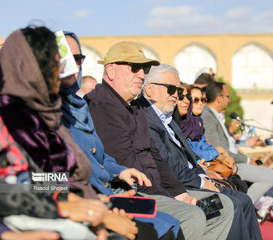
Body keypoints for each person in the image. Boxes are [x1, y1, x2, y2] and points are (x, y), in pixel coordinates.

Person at [0, 26, 153, 240]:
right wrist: (71, 207)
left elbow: (47, 178)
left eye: (69, 62)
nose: (63, 71)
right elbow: (13, 184)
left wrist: (95, 204)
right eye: (52, 64)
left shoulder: (45, 114)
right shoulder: (11, 115)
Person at [86, 41, 234, 240]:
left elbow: (155, 156)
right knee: (193, 215)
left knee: (222, 208)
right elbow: (128, 167)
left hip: (157, 190)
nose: (141, 74)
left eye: (145, 68)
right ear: (111, 70)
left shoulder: (135, 106)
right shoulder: (103, 105)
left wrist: (179, 193)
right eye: (135, 68)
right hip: (132, 194)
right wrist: (171, 197)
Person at [59, 31, 182, 240]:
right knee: (160, 229)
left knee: (170, 225)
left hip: (102, 196)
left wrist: (119, 171)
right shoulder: (28, 114)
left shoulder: (75, 107)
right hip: (75, 204)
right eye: (63, 59)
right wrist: (81, 206)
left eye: (78, 59)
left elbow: (98, 156)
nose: (142, 75)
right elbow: (27, 182)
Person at [138, 63, 262, 240]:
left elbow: (188, 156)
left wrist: (205, 174)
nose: (176, 96)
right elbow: (168, 165)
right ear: (149, 89)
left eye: (179, 91)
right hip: (180, 189)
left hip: (194, 180)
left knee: (243, 199)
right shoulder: (146, 118)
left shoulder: (168, 118)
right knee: (229, 205)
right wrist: (203, 182)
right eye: (171, 89)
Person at [201, 81, 273, 204]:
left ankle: (247, 206)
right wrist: (248, 160)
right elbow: (219, 148)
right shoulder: (207, 116)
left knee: (267, 170)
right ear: (219, 98)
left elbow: (227, 143)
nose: (230, 100)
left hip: (232, 160)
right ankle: (245, 206)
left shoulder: (216, 115)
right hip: (227, 164)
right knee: (271, 176)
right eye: (228, 96)